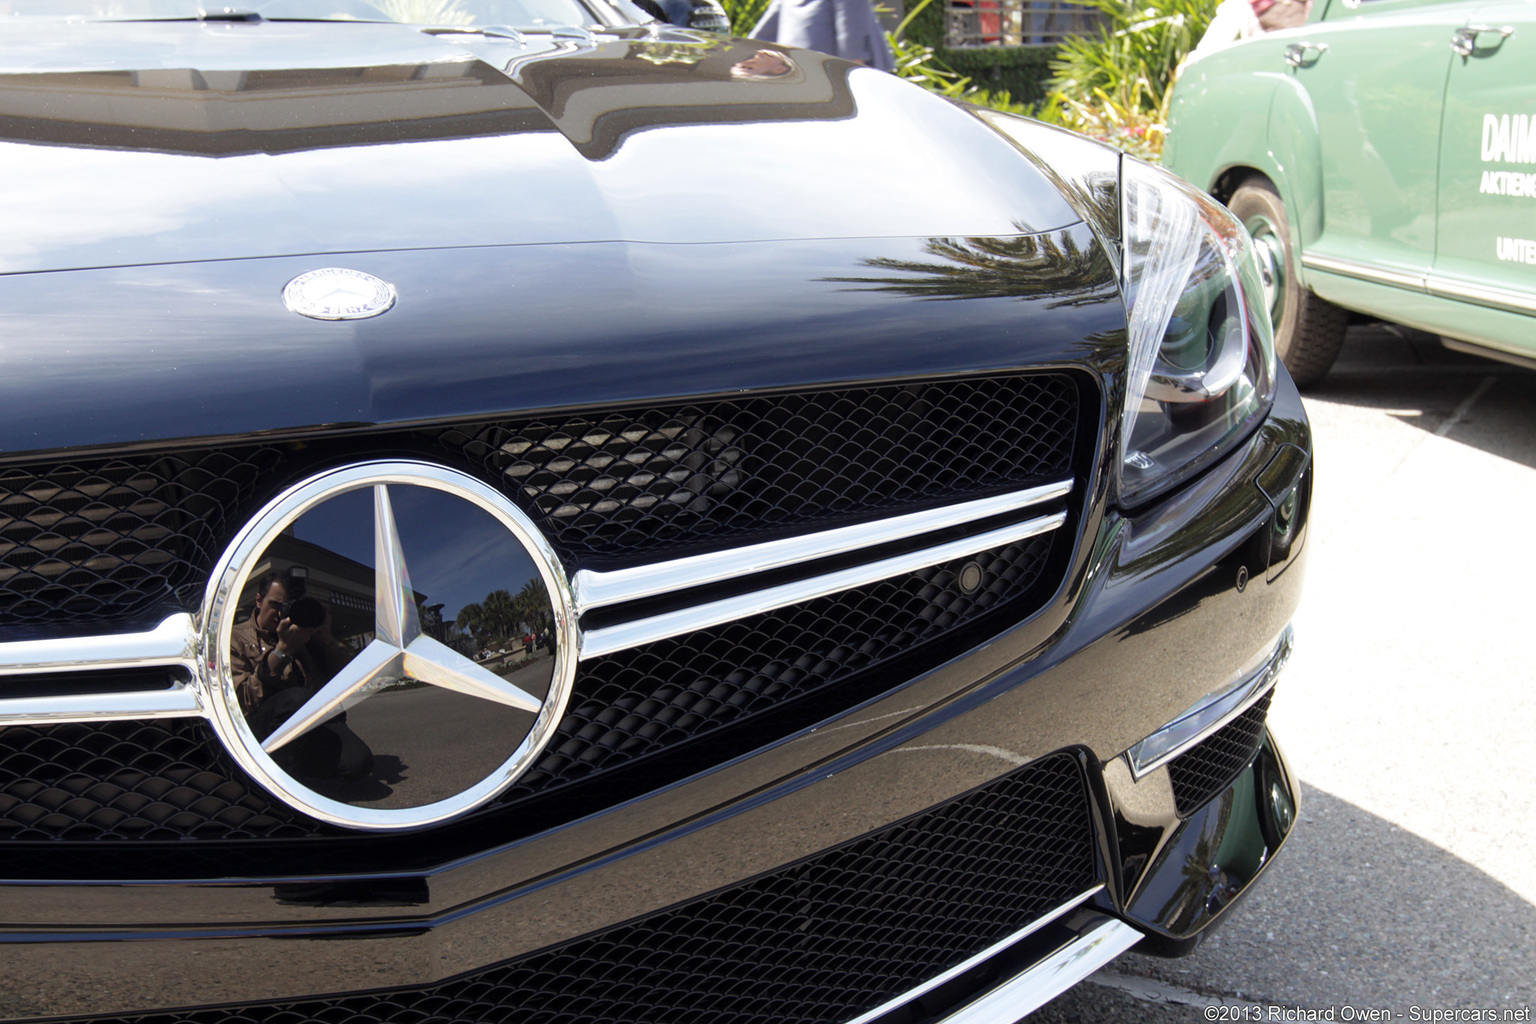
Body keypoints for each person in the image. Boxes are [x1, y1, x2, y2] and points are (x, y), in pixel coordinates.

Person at [229, 571, 373, 780]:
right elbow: (240, 700)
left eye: (288, 608)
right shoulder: (235, 638)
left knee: (359, 763)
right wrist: (281, 652)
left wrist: (327, 639)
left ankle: (306, 769)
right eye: (276, 606)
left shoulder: (303, 635)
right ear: (259, 600)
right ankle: (278, 779)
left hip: (309, 721)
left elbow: (344, 677)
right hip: (261, 727)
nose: (281, 615)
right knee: (296, 698)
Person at [749, 0, 895, 72]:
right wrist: (854, 72)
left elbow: (761, 37)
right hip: (834, 73)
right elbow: (850, 28)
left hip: (797, 72)